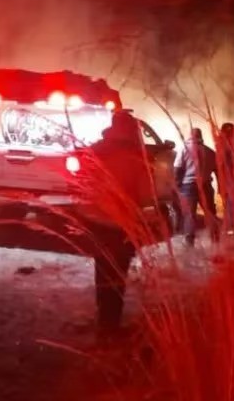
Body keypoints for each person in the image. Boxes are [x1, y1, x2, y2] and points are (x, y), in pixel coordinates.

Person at [80, 111, 154, 334]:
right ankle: (111, 324)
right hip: (121, 225)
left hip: (95, 222)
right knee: (117, 276)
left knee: (102, 271)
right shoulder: (136, 156)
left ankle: (104, 319)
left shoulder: (95, 150)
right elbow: (145, 195)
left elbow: (83, 184)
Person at [174, 127, 219, 246]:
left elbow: (178, 169)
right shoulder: (209, 151)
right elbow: (217, 171)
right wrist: (220, 187)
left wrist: (177, 186)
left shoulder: (184, 149)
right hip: (206, 186)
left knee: (189, 215)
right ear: (201, 136)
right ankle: (215, 240)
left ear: (190, 136)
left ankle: (189, 243)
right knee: (210, 213)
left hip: (189, 186)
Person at [216, 122, 234, 235]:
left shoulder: (233, 143)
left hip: (233, 177)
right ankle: (231, 226)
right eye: (228, 131)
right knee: (230, 201)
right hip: (229, 177)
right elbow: (220, 163)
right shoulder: (223, 144)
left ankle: (233, 226)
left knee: (232, 201)